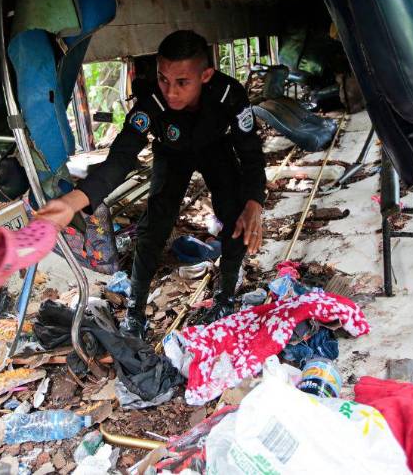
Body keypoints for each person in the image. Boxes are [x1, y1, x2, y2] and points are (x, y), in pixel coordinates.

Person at [36, 30, 266, 338]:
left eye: (182, 82)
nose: (170, 91)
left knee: (236, 215)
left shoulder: (229, 95)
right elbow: (121, 157)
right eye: (163, 79)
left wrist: (254, 202)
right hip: (171, 155)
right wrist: (75, 200)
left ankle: (225, 298)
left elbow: (250, 153)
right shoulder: (152, 103)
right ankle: (135, 311)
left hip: (217, 149)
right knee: (154, 226)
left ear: (206, 75)